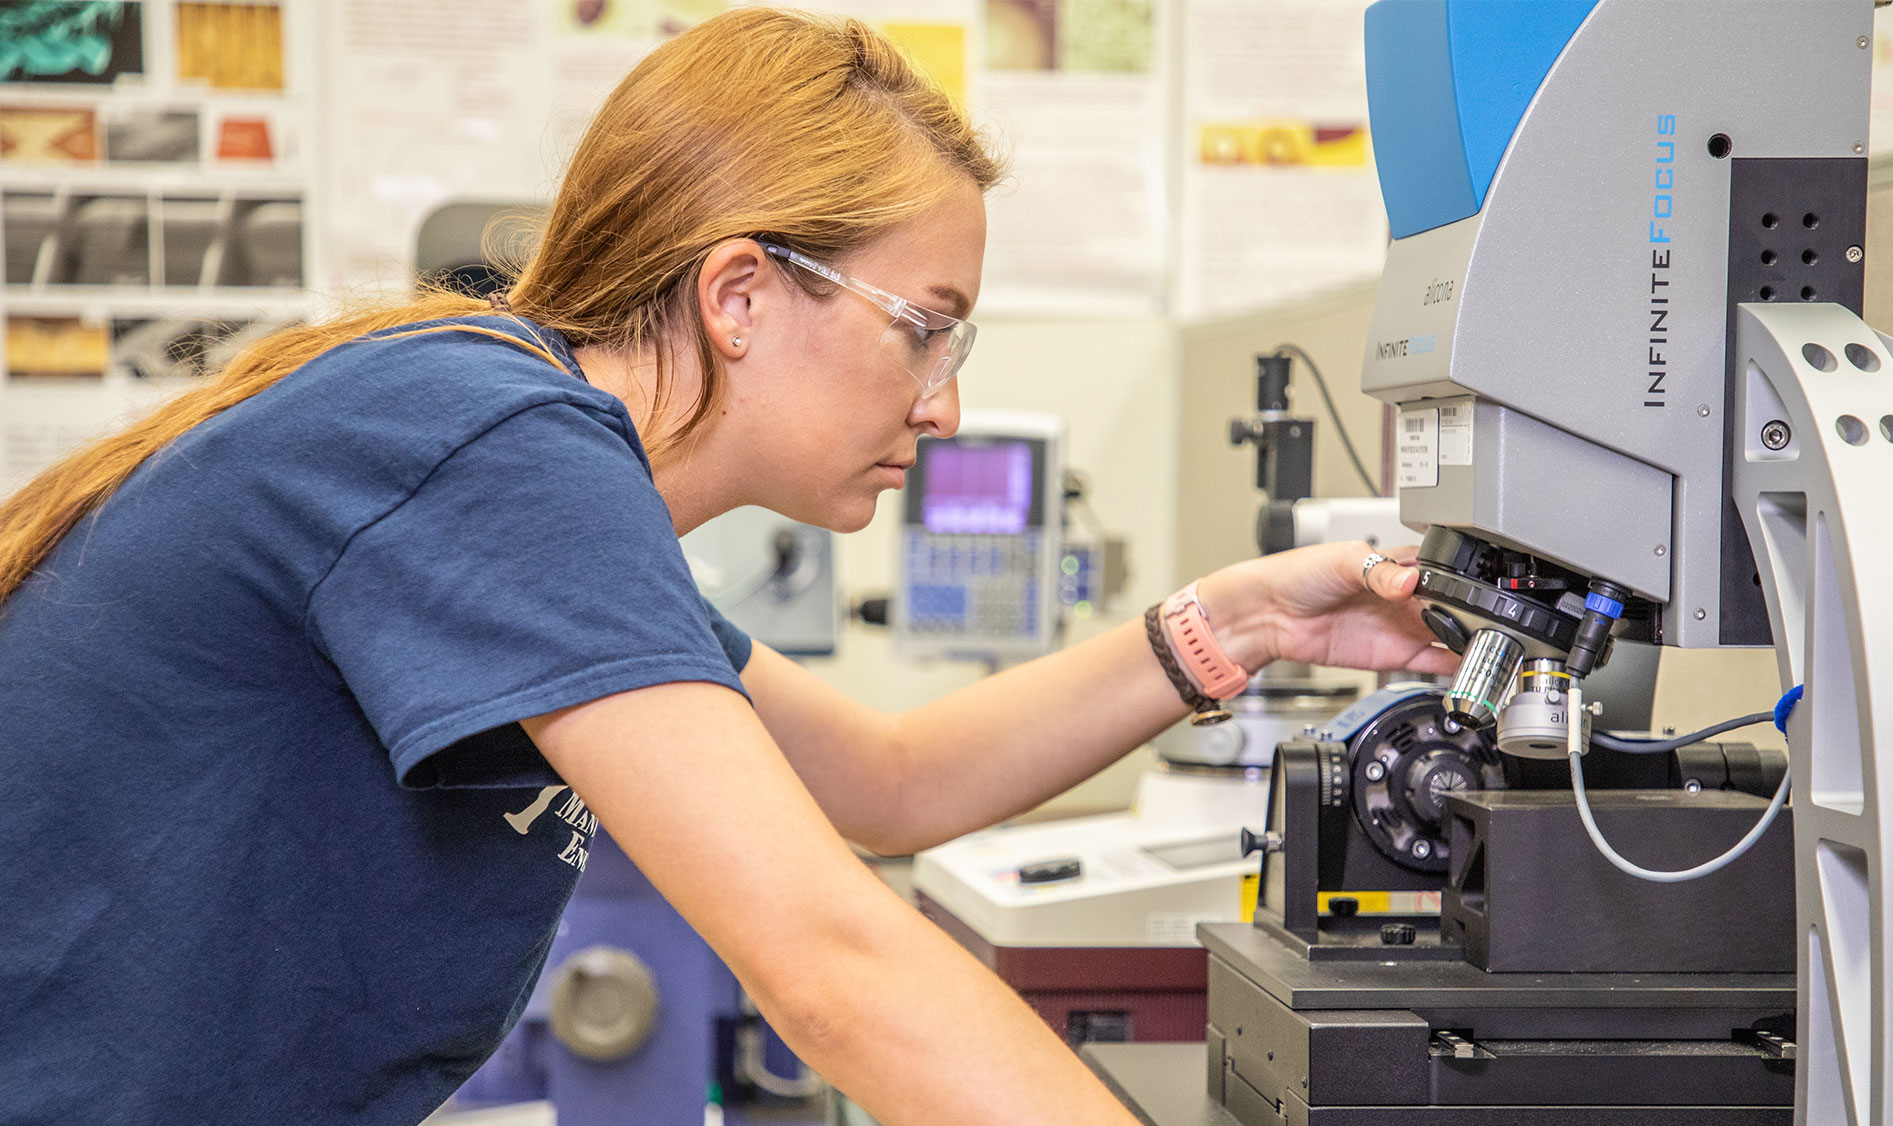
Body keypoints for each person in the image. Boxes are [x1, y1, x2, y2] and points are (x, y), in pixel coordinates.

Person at [0, 9, 1454, 1125]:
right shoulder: (495, 442)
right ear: (740, 294)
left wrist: (1241, 621)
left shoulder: (508, 453)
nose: (945, 405)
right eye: (925, 327)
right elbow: (829, 966)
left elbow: (891, 778)